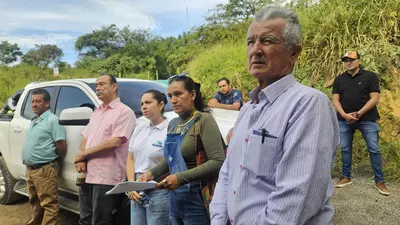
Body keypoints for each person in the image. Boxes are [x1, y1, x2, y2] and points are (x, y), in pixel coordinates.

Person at [210, 6, 340, 225]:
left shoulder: (308, 105)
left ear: (294, 52)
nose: (256, 50)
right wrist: (219, 220)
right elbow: (227, 173)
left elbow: (296, 198)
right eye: (251, 42)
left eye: (267, 41)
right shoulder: (246, 110)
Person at [138, 75, 226, 225]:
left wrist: (180, 178)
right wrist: (151, 173)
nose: (173, 100)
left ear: (192, 95)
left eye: (178, 94)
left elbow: (218, 161)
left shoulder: (203, 120)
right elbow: (170, 159)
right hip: (174, 199)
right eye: (170, 96)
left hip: (197, 200)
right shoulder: (173, 123)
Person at [74, 74, 136, 225]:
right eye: (96, 86)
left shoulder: (124, 112)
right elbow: (86, 137)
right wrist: (81, 160)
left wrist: (83, 154)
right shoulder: (97, 112)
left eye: (102, 84)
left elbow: (115, 142)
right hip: (88, 175)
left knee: (102, 221)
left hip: (107, 177)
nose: (98, 88)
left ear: (114, 87)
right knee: (85, 219)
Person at [332, 51, 390, 195]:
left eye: (351, 59)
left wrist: (358, 114)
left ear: (359, 60)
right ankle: (346, 177)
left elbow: (374, 98)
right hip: (344, 120)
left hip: (367, 119)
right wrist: (344, 114)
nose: (348, 62)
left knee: (374, 149)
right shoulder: (339, 79)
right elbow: (335, 100)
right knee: (345, 149)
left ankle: (380, 181)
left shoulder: (370, 76)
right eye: (346, 60)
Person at [22, 88, 66, 225]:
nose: (34, 104)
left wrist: (50, 161)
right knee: (35, 202)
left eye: (38, 101)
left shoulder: (52, 120)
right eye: (33, 101)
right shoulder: (34, 120)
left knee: (49, 204)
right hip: (31, 169)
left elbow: (61, 144)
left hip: (44, 169)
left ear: (47, 103)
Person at [126, 90, 170, 225]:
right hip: (137, 188)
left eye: (148, 102)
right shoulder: (139, 128)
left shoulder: (169, 128)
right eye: (142, 104)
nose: (144, 107)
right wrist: (131, 185)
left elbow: (170, 160)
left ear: (161, 104)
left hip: (159, 187)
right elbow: (130, 159)